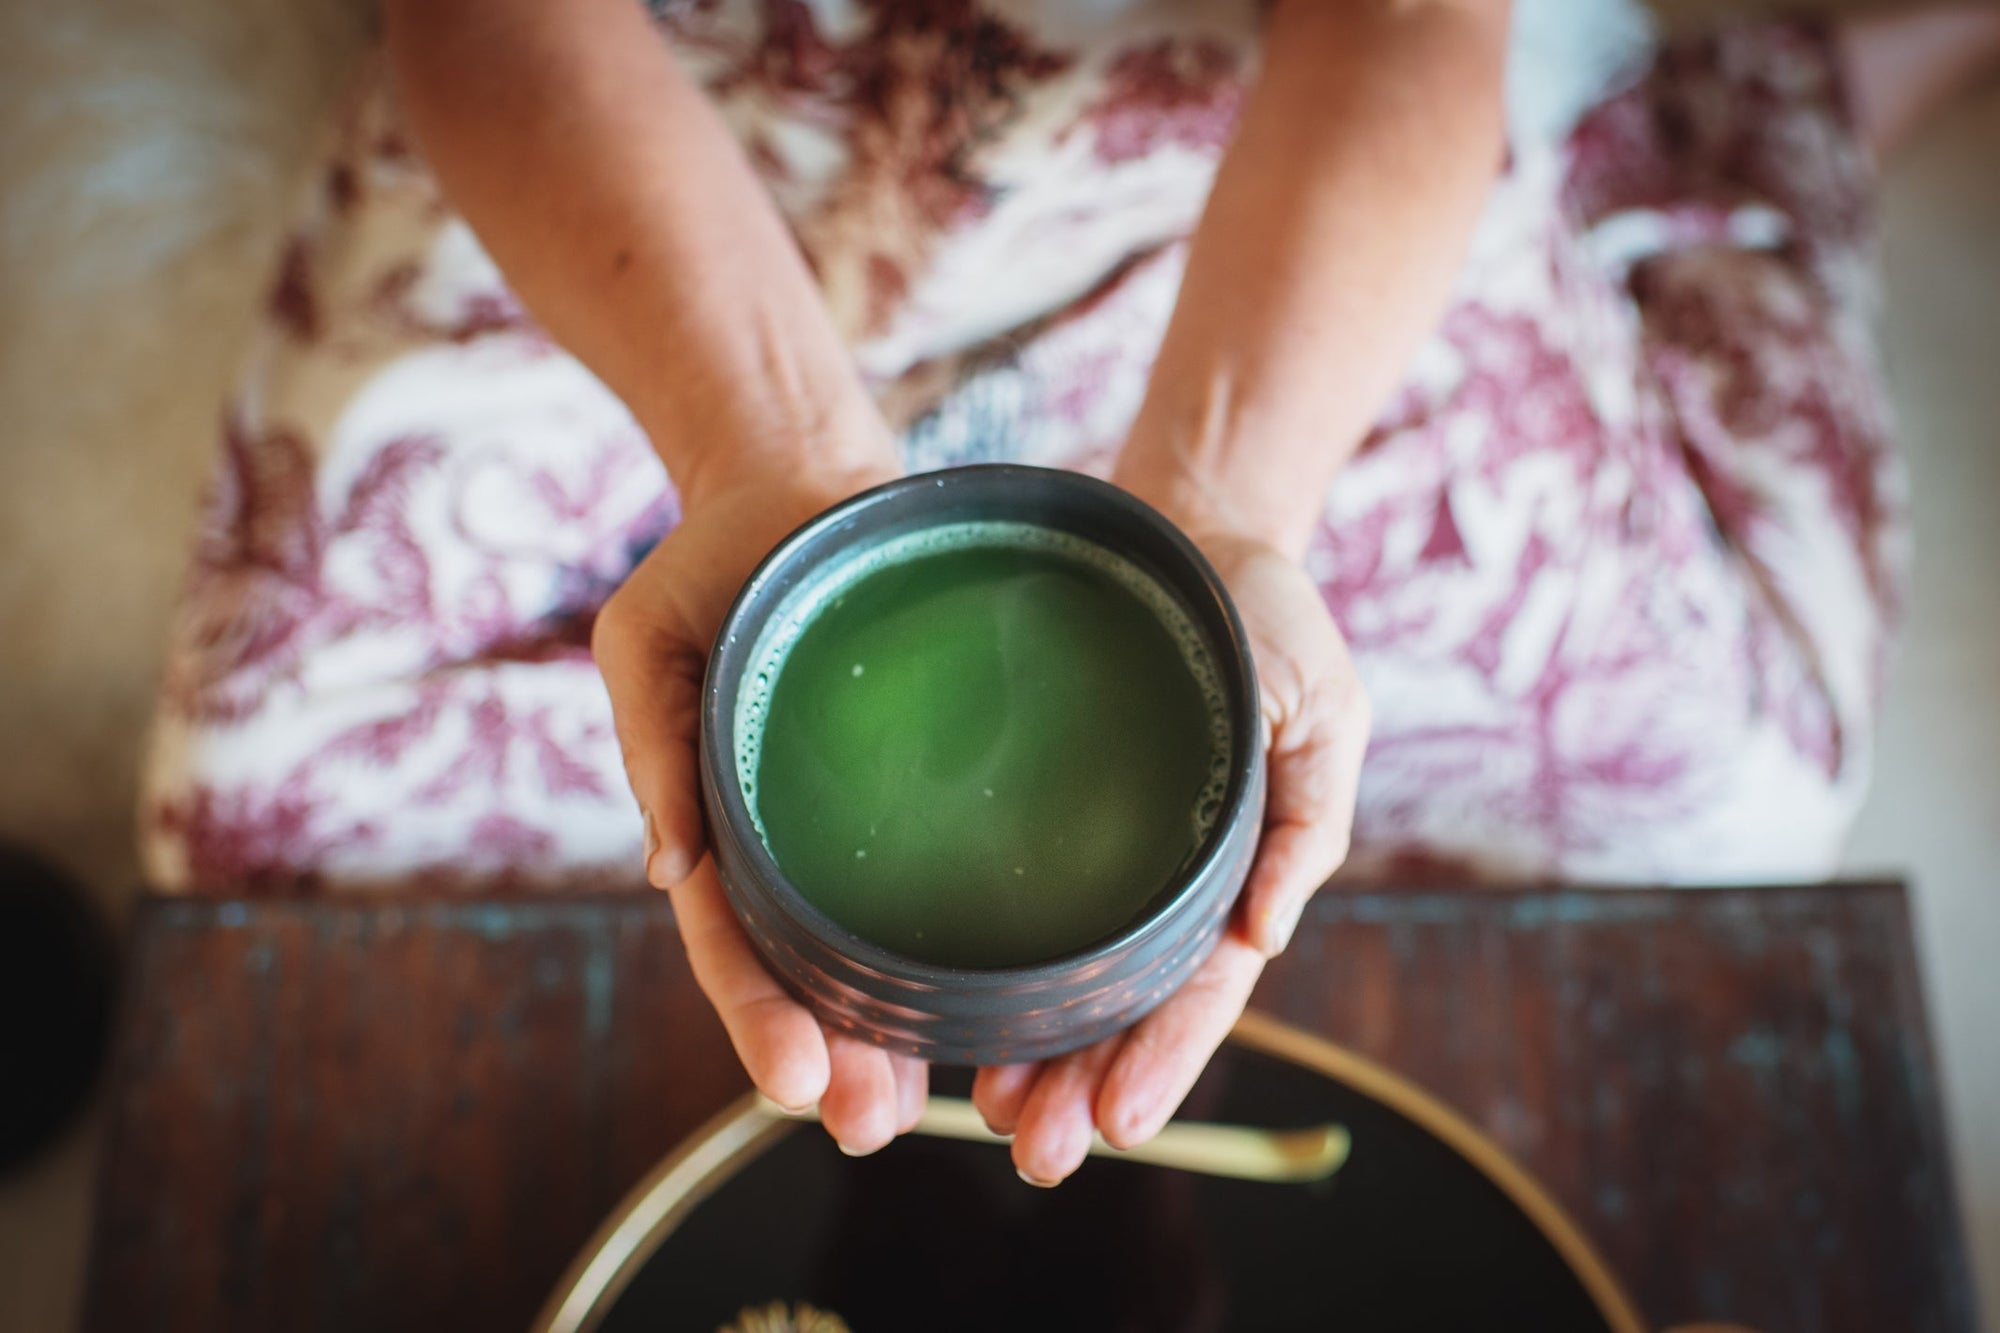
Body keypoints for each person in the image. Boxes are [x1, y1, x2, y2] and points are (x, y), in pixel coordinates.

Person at [139, 0, 1998, 1185]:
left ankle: (1792, 102)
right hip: (687, 135)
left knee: (1727, 792)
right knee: (253, 815)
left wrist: (1218, 504)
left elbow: (1414, 29)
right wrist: (766, 453)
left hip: (1237, 136)